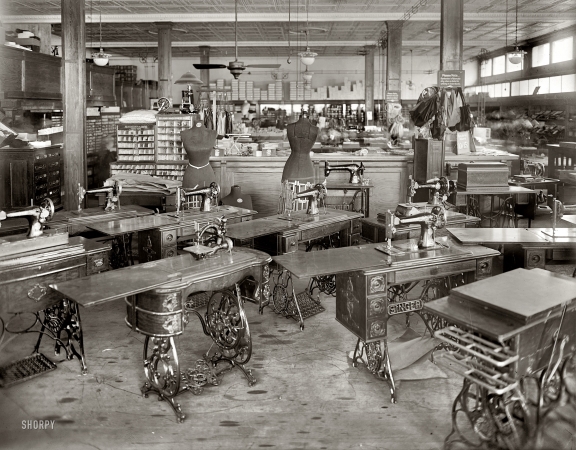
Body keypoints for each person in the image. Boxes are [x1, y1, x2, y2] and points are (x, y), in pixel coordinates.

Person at [282, 110, 317, 183]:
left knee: (302, 192)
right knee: (290, 192)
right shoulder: (314, 129)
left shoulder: (314, 130)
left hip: (293, 166)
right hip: (305, 166)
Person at [180, 120, 218, 188]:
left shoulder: (212, 133)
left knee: (209, 197)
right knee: (188, 197)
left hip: (207, 174)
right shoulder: (184, 134)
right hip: (191, 175)